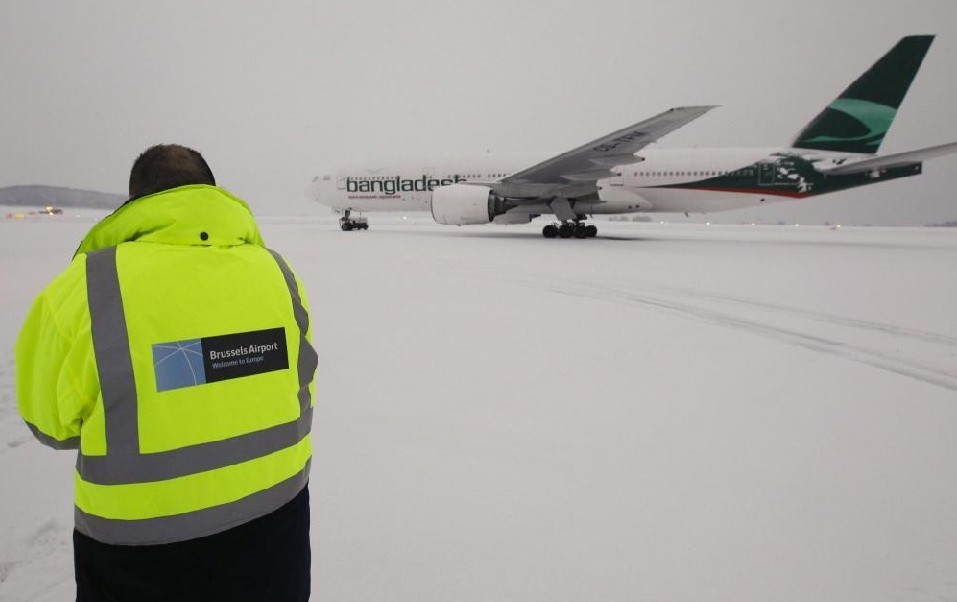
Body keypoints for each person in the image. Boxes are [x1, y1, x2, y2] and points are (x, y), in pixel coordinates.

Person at [15, 144, 318, 601]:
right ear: (212, 192)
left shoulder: (86, 287)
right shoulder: (277, 272)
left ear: (136, 200)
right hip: (278, 532)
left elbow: (48, 422)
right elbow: (301, 383)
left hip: (142, 556)